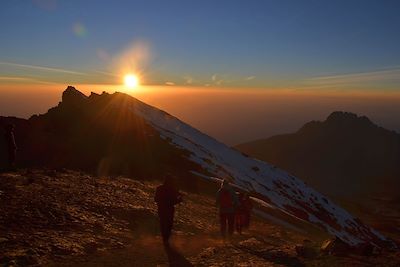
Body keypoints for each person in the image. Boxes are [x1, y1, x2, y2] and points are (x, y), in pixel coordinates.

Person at [154, 175, 183, 245]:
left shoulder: (159, 188)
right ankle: (166, 239)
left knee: (163, 223)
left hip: (161, 209)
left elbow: (155, 199)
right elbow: (174, 201)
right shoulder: (173, 190)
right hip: (169, 210)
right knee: (168, 224)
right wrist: (179, 200)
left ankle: (165, 238)